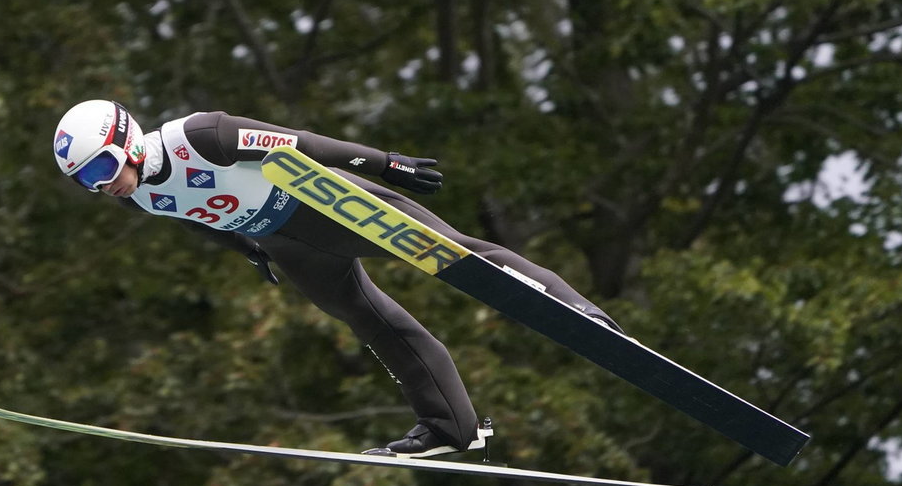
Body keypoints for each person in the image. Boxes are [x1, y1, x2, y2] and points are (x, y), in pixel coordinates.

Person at [52, 100, 624, 458]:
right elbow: (195, 218)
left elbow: (300, 143)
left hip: (327, 207)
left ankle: (583, 313)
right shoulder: (136, 198)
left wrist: (383, 162)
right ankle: (450, 425)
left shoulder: (201, 136)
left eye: (102, 168)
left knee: (458, 256)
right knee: (369, 318)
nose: (104, 187)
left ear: (125, 139)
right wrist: (248, 250)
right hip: (287, 245)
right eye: (88, 183)